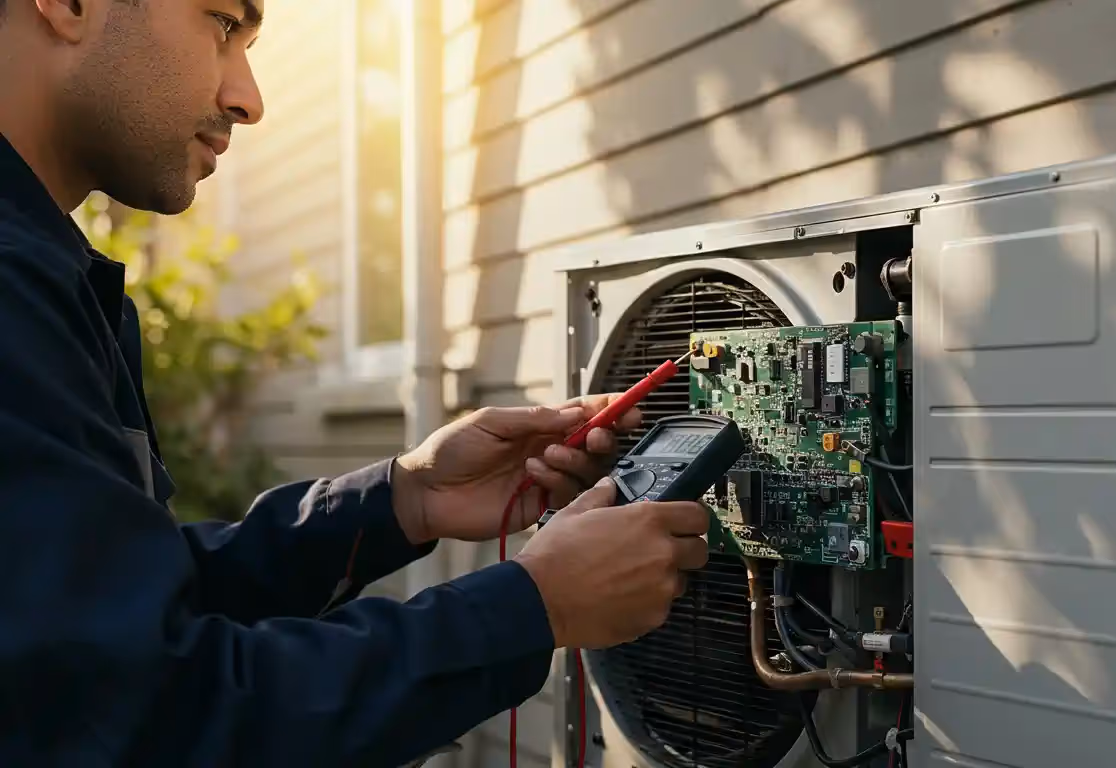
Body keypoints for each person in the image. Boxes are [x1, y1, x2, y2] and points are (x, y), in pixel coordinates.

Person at [0, 0, 712, 765]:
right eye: (222, 23)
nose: (249, 97)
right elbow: (154, 717)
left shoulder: (44, 274)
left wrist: (404, 499)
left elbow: (110, 616)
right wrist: (533, 606)